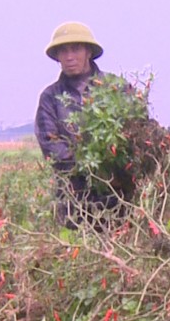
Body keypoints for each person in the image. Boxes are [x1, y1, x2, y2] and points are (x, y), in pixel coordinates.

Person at [34, 21, 119, 229]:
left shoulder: (116, 89)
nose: (70, 57)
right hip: (73, 202)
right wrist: (87, 167)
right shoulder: (50, 97)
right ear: (57, 57)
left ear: (88, 52)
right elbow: (51, 146)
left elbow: (135, 132)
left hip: (118, 199)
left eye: (75, 49)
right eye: (63, 51)